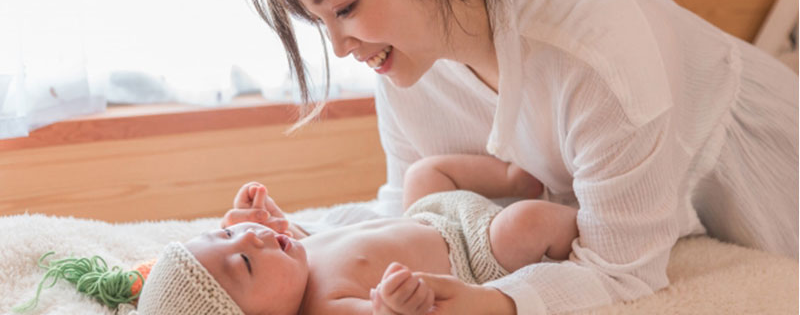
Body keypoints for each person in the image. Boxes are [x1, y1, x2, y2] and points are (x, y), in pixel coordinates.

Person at [241, 0, 799, 313]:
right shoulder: (406, 68)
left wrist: (496, 302)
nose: (340, 48)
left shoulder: (598, 48)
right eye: (322, 23)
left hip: (775, 172)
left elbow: (621, 269)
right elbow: (410, 221)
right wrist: (294, 243)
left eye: (345, 8)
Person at [137, 157, 579, 315]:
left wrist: (270, 219)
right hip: (474, 256)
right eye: (245, 263)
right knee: (525, 225)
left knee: (422, 172)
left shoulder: (292, 259)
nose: (249, 237)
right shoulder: (323, 307)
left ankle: (513, 177)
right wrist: (393, 305)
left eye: (227, 233)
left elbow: (304, 234)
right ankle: (581, 232)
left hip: (426, 216)